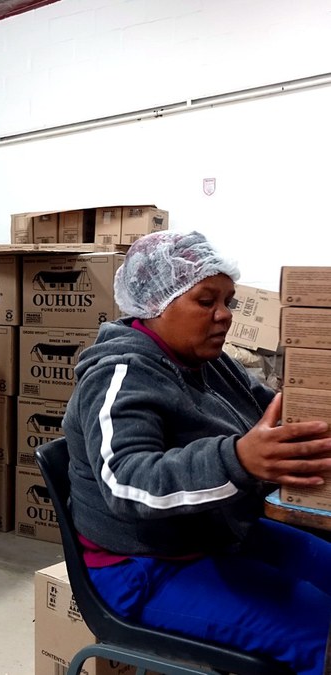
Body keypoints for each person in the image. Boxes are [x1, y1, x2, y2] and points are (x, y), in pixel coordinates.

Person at [62, 230, 331, 675]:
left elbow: (267, 411)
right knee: (322, 639)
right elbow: (127, 483)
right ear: (155, 303)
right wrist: (240, 460)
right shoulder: (119, 374)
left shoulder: (207, 360)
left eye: (229, 301)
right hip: (144, 566)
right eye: (206, 301)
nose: (224, 316)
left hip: (214, 532)